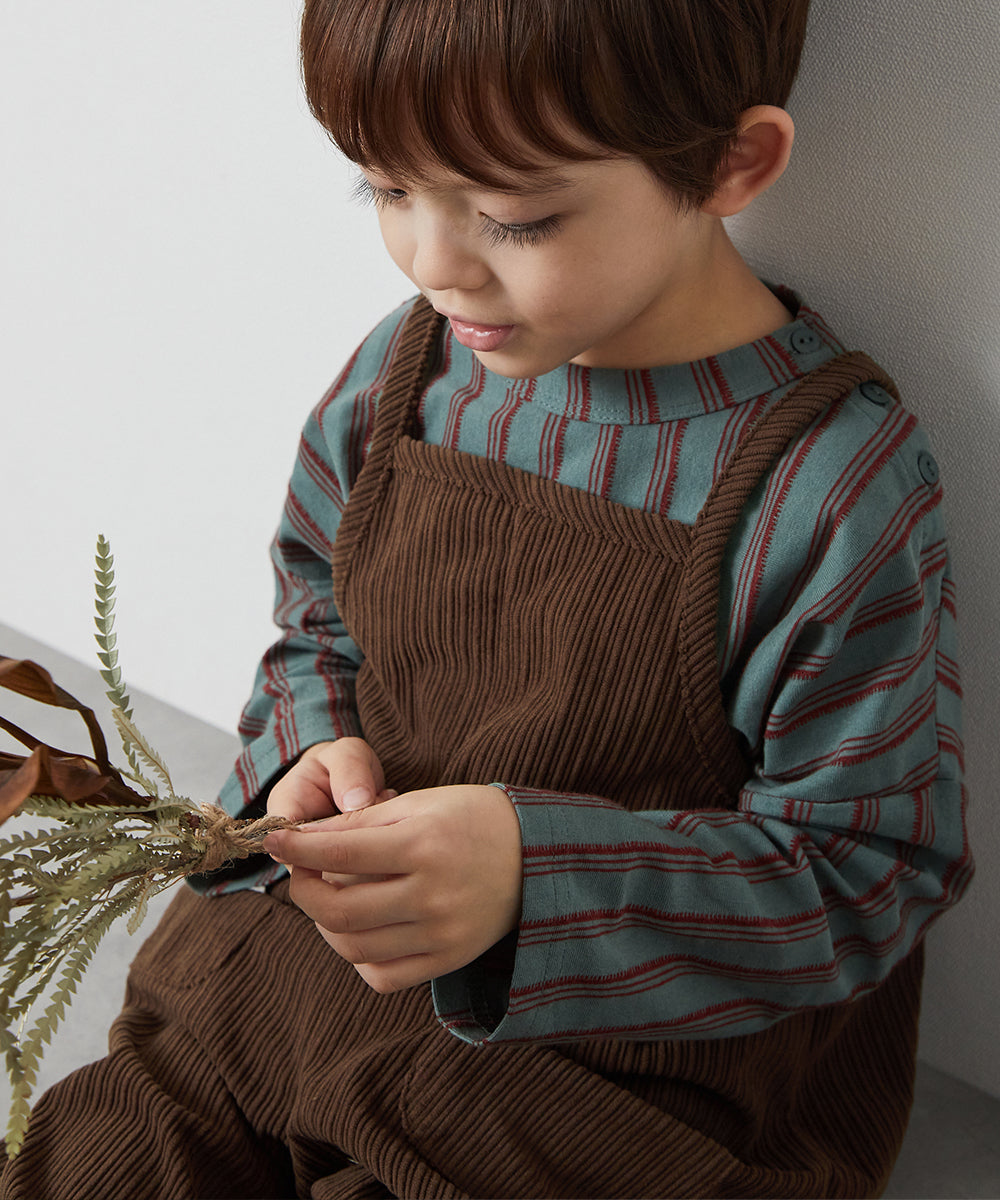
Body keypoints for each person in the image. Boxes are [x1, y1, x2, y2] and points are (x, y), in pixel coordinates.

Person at [2, 1, 973, 1197]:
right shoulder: (404, 372)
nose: (433, 262)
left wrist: (532, 879)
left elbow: (867, 867)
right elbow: (317, 623)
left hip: (594, 1078)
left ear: (734, 163)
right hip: (289, 983)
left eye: (514, 217)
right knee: (99, 1161)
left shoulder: (827, 488)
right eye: (386, 191)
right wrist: (315, 755)